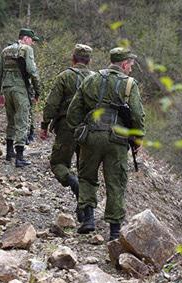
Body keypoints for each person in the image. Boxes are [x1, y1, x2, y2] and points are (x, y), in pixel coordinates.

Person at [66, 47, 145, 240]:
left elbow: (73, 111)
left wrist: (79, 130)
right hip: (117, 138)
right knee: (115, 182)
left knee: (87, 176)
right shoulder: (129, 84)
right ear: (124, 64)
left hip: (91, 135)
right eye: (131, 65)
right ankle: (115, 231)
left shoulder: (91, 79)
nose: (131, 69)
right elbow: (137, 114)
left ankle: (88, 220)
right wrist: (137, 138)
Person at [40, 44, 95, 198]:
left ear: (73, 59)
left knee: (58, 163)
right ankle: (84, 208)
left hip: (67, 127)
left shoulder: (64, 76)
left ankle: (72, 181)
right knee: (85, 170)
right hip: (90, 128)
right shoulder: (96, 79)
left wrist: (44, 125)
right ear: (89, 61)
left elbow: (52, 103)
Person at [0, 28, 41, 168]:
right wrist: (38, 91)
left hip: (7, 89)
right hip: (20, 89)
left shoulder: (5, 51)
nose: (32, 43)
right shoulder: (26, 49)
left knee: (11, 120)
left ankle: (9, 152)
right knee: (22, 120)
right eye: (32, 40)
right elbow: (32, 71)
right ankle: (20, 157)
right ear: (26, 38)